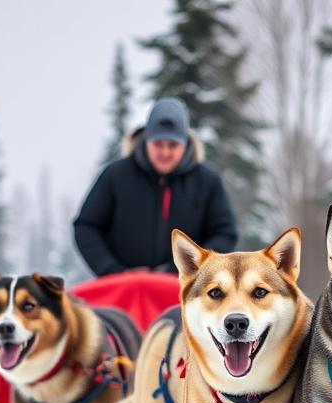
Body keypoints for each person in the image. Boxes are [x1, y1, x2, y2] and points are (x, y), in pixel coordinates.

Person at [74, 98, 238, 275]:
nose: (165, 152)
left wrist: (184, 269)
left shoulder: (207, 182)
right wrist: (112, 270)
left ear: (186, 143)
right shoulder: (115, 176)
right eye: (158, 144)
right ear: (146, 140)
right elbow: (86, 226)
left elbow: (225, 234)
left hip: (184, 290)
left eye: (173, 145)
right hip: (122, 290)